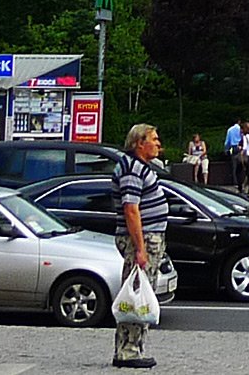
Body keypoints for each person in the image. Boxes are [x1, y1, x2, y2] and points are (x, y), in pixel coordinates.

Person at [111, 123, 168, 370]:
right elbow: (131, 209)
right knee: (137, 294)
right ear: (139, 143)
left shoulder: (140, 167)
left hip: (148, 236)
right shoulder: (132, 169)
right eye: (153, 139)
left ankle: (133, 347)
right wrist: (140, 248)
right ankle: (129, 351)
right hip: (142, 238)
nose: (158, 144)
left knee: (141, 292)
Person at [224, 118, 244, 189]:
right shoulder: (241, 129)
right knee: (242, 165)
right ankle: (242, 181)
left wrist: (226, 149)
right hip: (240, 147)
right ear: (239, 122)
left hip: (233, 148)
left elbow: (227, 141)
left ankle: (235, 182)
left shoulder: (230, 130)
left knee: (234, 165)